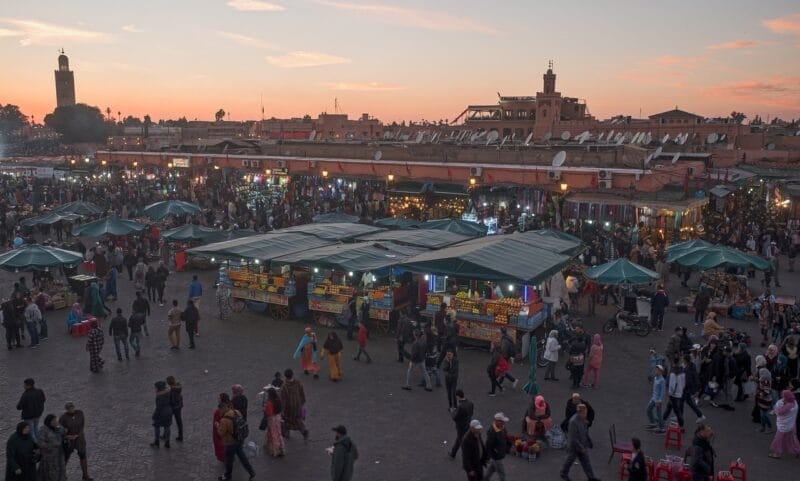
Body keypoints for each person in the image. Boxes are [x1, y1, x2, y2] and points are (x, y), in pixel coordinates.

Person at [216, 400, 256, 481]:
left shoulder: (224, 420)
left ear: (222, 409)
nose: (219, 412)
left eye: (220, 410)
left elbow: (221, 433)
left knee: (229, 461)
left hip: (230, 442)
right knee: (242, 457)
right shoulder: (236, 412)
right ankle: (251, 471)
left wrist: (217, 426)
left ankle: (228, 477)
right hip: (239, 439)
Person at [560, 404, 600, 481]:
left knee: (586, 462)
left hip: (582, 445)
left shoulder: (583, 419)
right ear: (580, 412)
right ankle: (563, 473)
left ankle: (591, 477)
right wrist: (581, 448)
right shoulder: (573, 422)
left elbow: (585, 431)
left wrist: (589, 441)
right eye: (585, 413)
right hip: (574, 447)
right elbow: (573, 437)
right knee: (569, 461)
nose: (586, 414)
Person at [60, 402, 93, 480]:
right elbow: (60, 429)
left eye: (72, 407)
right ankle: (61, 476)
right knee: (65, 458)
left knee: (83, 456)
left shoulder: (80, 413)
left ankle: (85, 475)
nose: (71, 409)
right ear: (67, 409)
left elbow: (82, 425)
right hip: (69, 441)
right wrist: (67, 436)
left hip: (79, 439)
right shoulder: (64, 417)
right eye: (69, 408)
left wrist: (78, 434)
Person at [769, 389, 800, 458]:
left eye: (783, 396)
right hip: (791, 425)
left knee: (778, 439)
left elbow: (780, 412)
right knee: (792, 440)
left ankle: (777, 453)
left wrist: (774, 411)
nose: (782, 397)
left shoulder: (788, 405)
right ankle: (797, 451)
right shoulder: (794, 402)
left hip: (784, 426)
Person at [279, 369, 309, 439]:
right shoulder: (297, 383)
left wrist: (282, 409)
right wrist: (302, 402)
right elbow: (302, 392)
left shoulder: (284, 387)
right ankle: (304, 431)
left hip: (288, 408)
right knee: (298, 420)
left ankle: (286, 433)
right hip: (297, 405)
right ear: (292, 375)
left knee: (287, 420)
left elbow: (283, 399)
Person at [37, 414, 67, 481]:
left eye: (56, 420)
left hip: (59, 456)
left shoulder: (58, 428)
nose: (56, 422)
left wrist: (60, 428)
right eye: (54, 420)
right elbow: (40, 443)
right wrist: (51, 446)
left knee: (62, 473)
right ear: (49, 421)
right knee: (50, 476)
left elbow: (64, 433)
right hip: (49, 459)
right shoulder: (43, 430)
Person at [449, 389, 474, 459]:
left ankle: (466, 457)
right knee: (459, 439)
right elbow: (471, 413)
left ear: (458, 396)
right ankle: (453, 453)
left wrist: (453, 412)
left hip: (461, 426)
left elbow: (455, 417)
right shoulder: (470, 403)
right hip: (468, 424)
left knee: (461, 441)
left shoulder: (461, 407)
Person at [484, 413, 509, 481]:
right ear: (497, 421)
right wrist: (487, 457)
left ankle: (485, 479)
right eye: (502, 421)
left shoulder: (502, 427)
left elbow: (505, 437)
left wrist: (509, 445)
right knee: (502, 473)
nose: (504, 423)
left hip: (500, 452)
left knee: (491, 469)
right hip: (496, 455)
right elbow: (488, 445)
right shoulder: (492, 432)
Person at [662, 362, 686, 429]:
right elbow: (684, 384)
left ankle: (681, 425)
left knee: (676, 411)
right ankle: (663, 419)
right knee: (669, 407)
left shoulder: (673, 374)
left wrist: (670, 393)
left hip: (673, 395)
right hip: (679, 393)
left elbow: (672, 386)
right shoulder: (682, 372)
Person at [263, 387, 285, 457]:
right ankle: (280, 447)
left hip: (272, 419)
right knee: (278, 432)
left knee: (274, 434)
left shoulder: (269, 402)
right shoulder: (278, 399)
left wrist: (264, 408)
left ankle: (276, 450)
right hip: (278, 417)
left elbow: (269, 413)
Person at [151, 380, 173, 449]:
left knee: (156, 426)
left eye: (155, 387)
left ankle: (157, 442)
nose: (154, 388)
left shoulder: (160, 396)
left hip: (161, 413)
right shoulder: (168, 392)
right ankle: (167, 442)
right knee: (167, 427)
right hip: (169, 411)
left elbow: (159, 408)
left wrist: (154, 415)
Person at [646, 365, 666, 433]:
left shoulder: (662, 380)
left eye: (657, 370)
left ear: (660, 372)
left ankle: (662, 428)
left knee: (658, 414)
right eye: (656, 370)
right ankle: (653, 423)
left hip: (657, 400)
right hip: (653, 398)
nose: (656, 371)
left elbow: (662, 392)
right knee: (648, 410)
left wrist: (659, 400)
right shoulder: (656, 378)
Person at [213, 393, 231, 463]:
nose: (218, 399)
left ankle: (224, 458)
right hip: (227, 429)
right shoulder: (230, 405)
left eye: (219, 398)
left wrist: (217, 426)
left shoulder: (219, 411)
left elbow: (218, 421)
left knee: (221, 445)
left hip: (221, 430)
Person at [167, 376, 184, 442]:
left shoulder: (171, 390)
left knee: (167, 421)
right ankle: (181, 436)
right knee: (179, 422)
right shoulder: (178, 386)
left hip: (173, 407)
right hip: (179, 406)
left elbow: (170, 399)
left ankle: (165, 435)